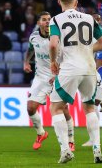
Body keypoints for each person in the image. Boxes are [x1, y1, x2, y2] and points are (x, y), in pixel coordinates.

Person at [49, 0, 102, 164]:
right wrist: (89, 49)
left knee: (56, 108)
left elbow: (53, 45)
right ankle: (97, 149)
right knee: (90, 108)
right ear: (76, 3)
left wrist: (53, 61)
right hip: (89, 68)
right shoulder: (89, 18)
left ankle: (65, 149)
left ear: (60, 2)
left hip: (70, 68)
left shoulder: (56, 20)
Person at [23, 11, 75, 151]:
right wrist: (27, 62)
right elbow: (30, 49)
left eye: (49, 20)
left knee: (63, 109)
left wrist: (59, 74)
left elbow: (68, 58)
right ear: (39, 23)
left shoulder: (59, 38)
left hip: (58, 77)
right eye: (44, 20)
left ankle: (70, 139)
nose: (47, 22)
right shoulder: (33, 36)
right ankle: (41, 133)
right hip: (40, 77)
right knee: (30, 108)